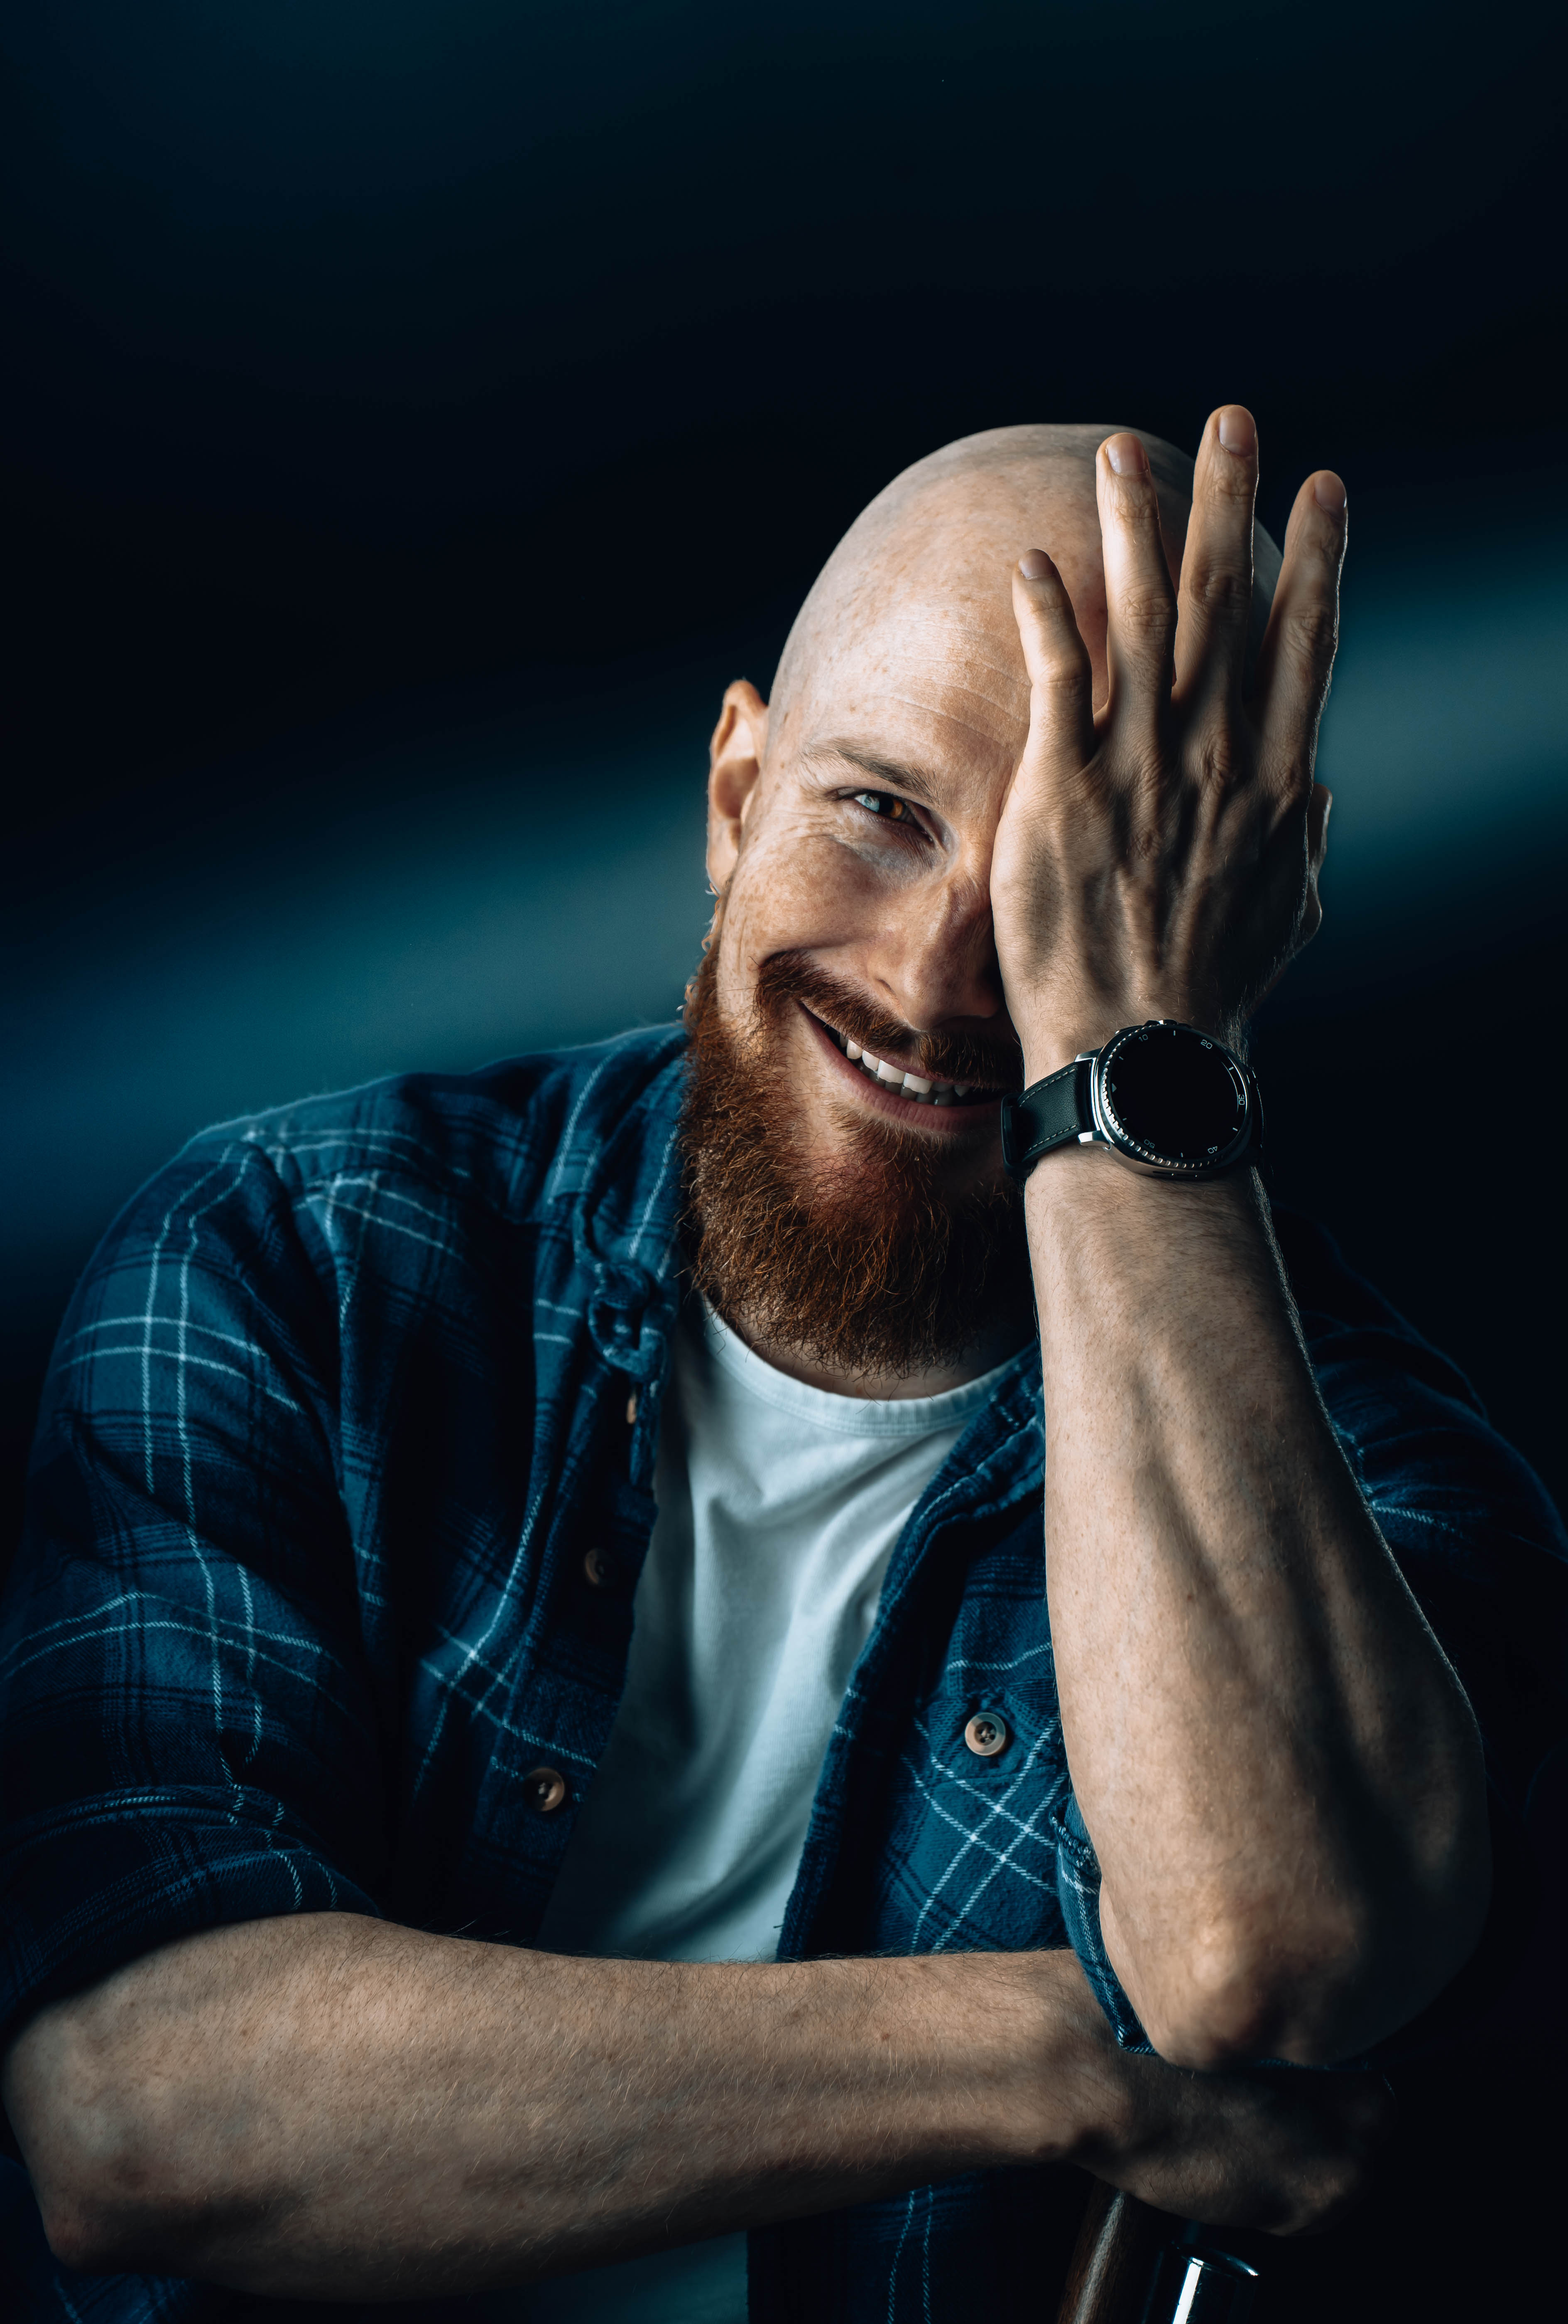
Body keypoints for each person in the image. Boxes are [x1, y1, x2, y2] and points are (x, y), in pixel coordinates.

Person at [2, 412, 1563, 2324]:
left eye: (1063, 893)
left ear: (1228, 918)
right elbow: (137, 2112)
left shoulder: (1375, 1490)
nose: (933, 978)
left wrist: (1129, 1063)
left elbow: (1262, 1961)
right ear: (734, 792)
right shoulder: (293, 1260)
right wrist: (1058, 2054)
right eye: (880, 812)